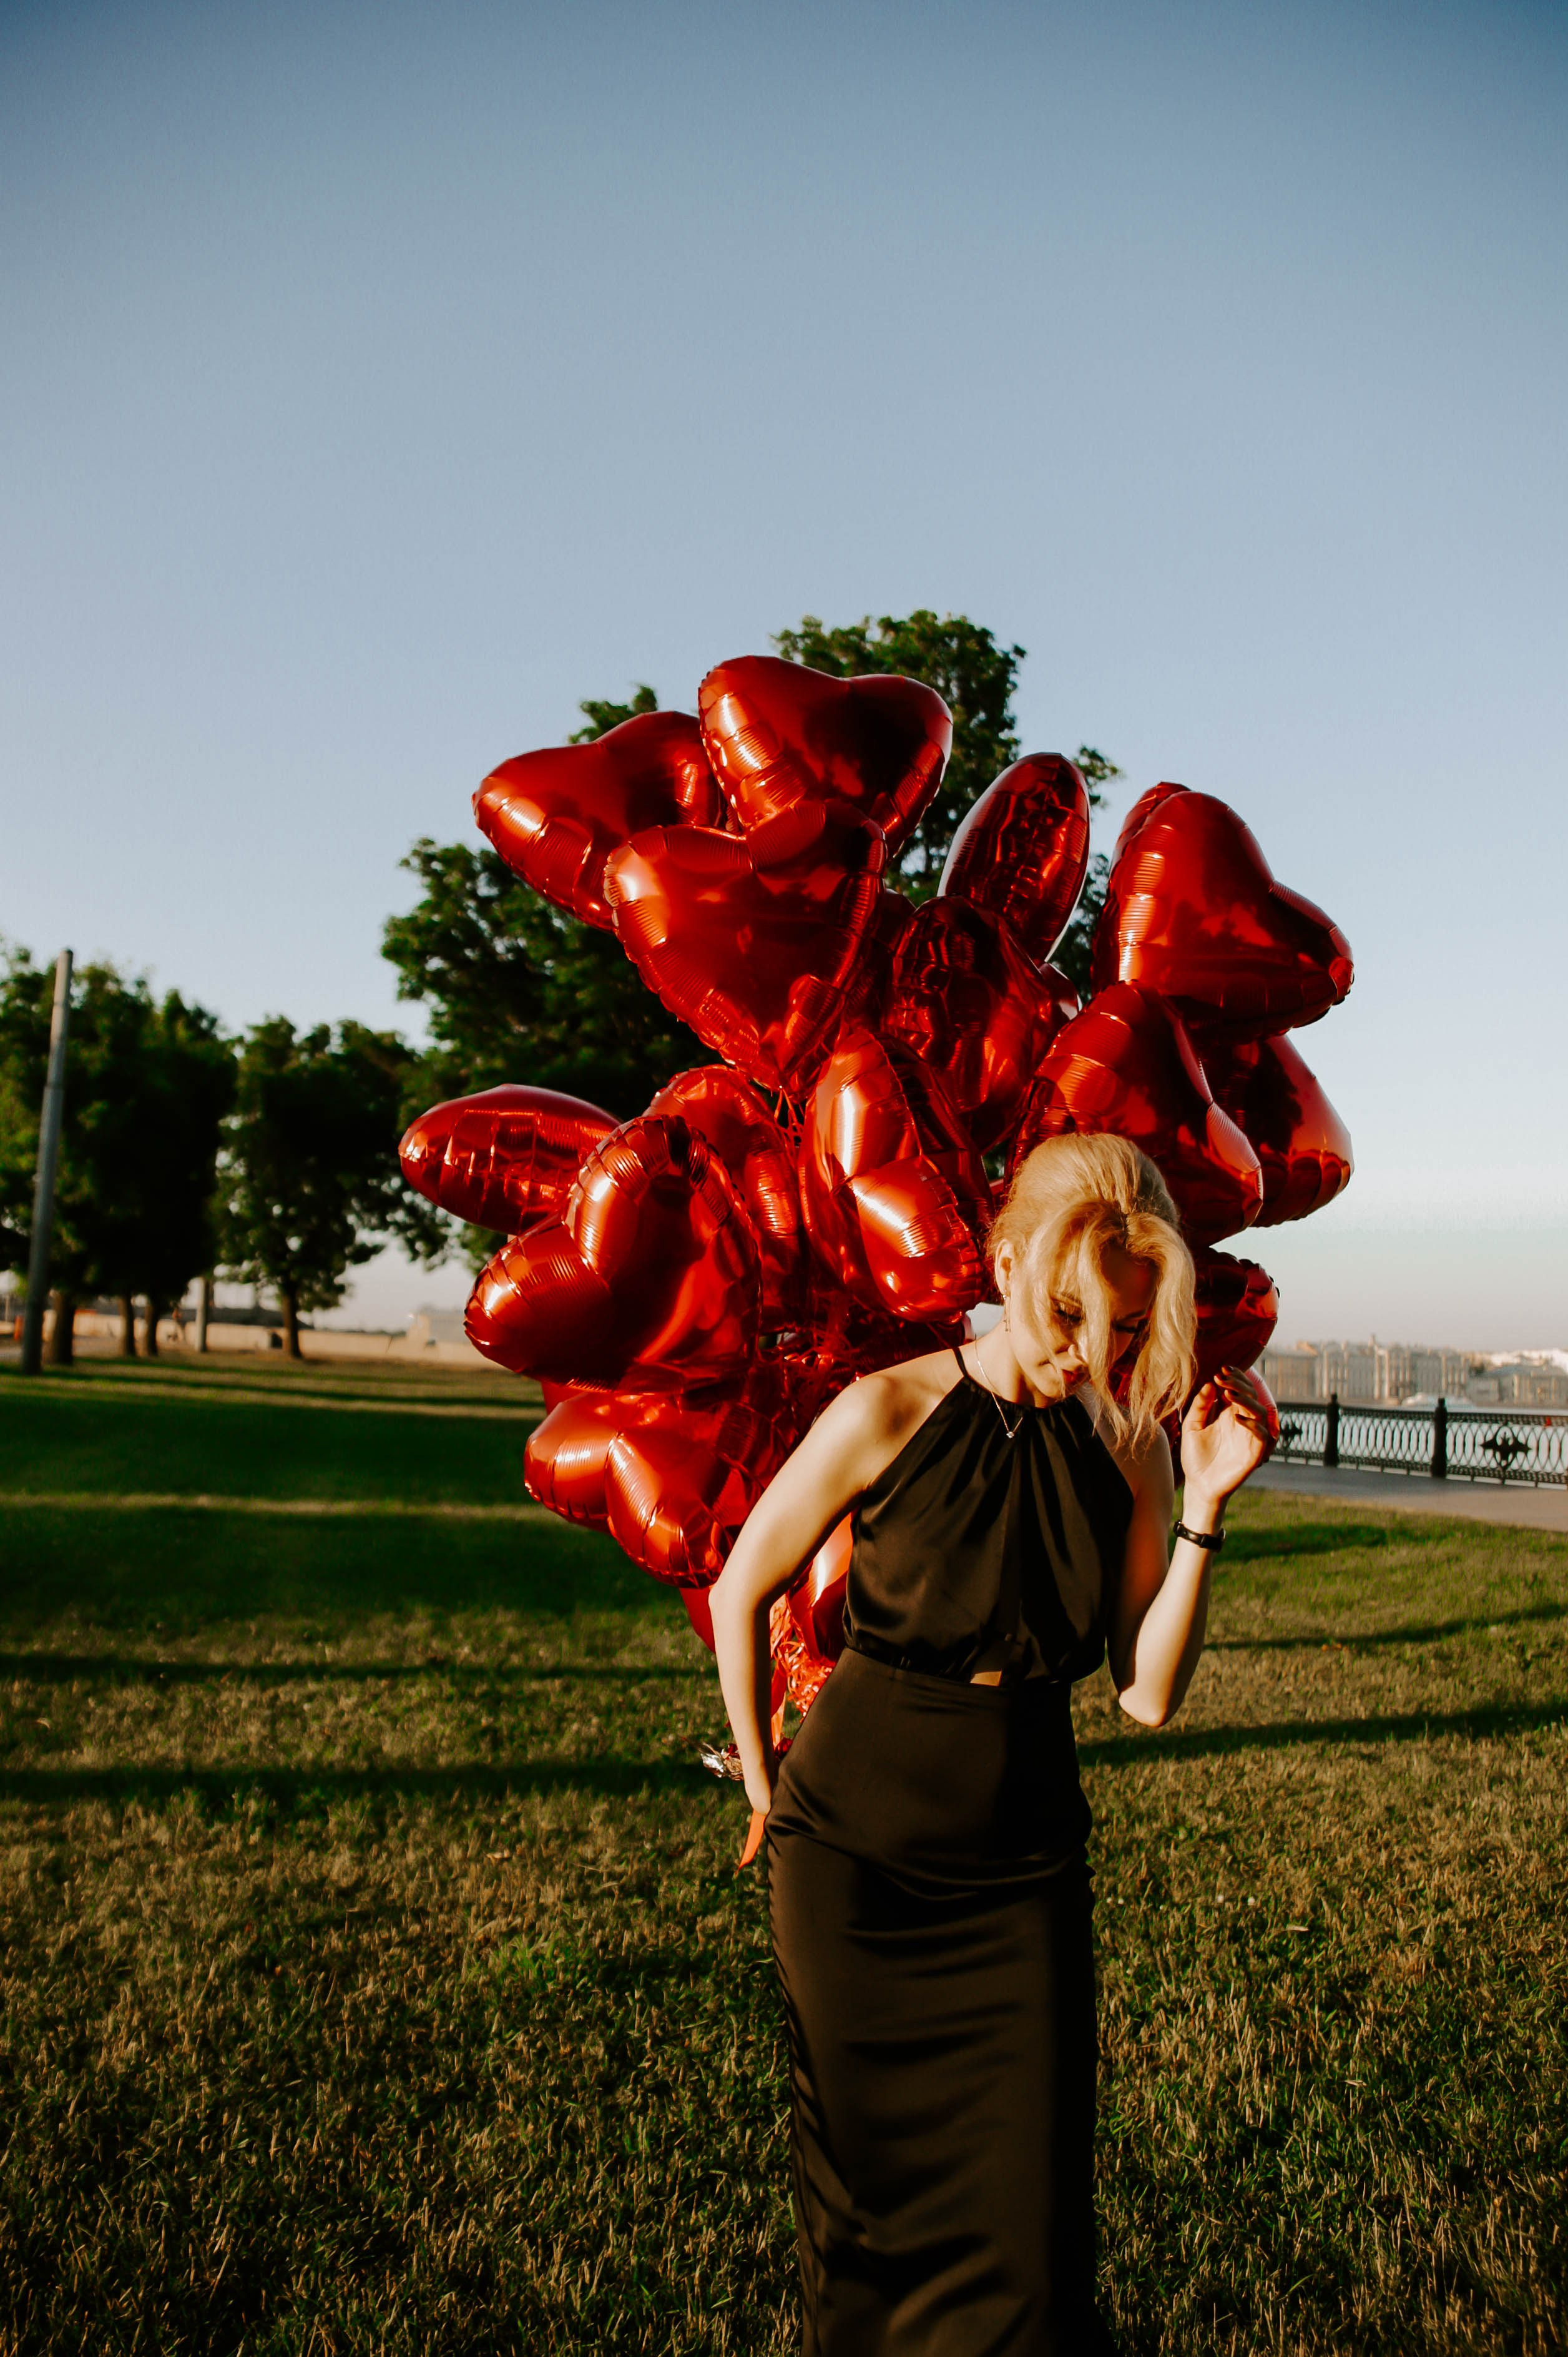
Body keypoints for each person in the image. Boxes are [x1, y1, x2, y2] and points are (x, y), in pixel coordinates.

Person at [709, 1133, 1273, 2356]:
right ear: (1004, 1259)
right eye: (1067, 1311)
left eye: (1120, 1327)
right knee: (859, 2228)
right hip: (847, 1861)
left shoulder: (1121, 1446)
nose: (1088, 1349)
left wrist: (1207, 1508)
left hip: (1019, 1875)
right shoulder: (888, 1408)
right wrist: (764, 1786)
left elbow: (1145, 1694)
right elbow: (737, 1587)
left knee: (1029, 2238)